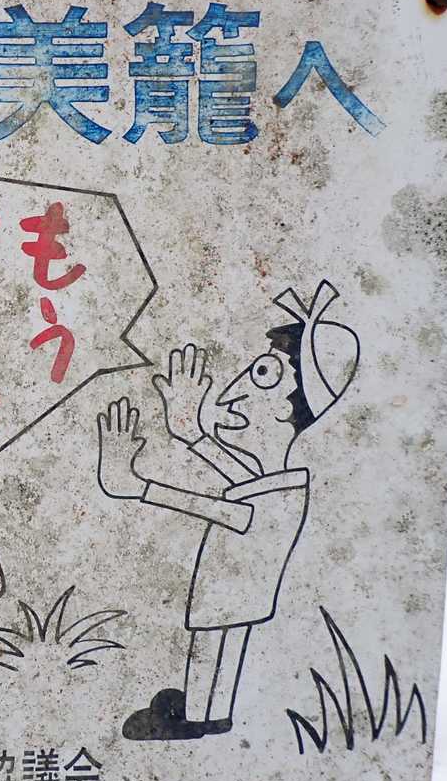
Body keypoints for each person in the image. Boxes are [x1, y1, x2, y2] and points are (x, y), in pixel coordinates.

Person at [95, 280, 359, 740]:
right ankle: (209, 710)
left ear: (287, 409)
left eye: (263, 374)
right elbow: (241, 483)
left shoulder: (284, 490)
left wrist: (137, 487)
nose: (236, 387)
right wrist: (190, 433)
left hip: (234, 583)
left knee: (215, 645)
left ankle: (200, 717)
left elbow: (231, 511)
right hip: (236, 581)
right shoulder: (276, 477)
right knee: (221, 645)